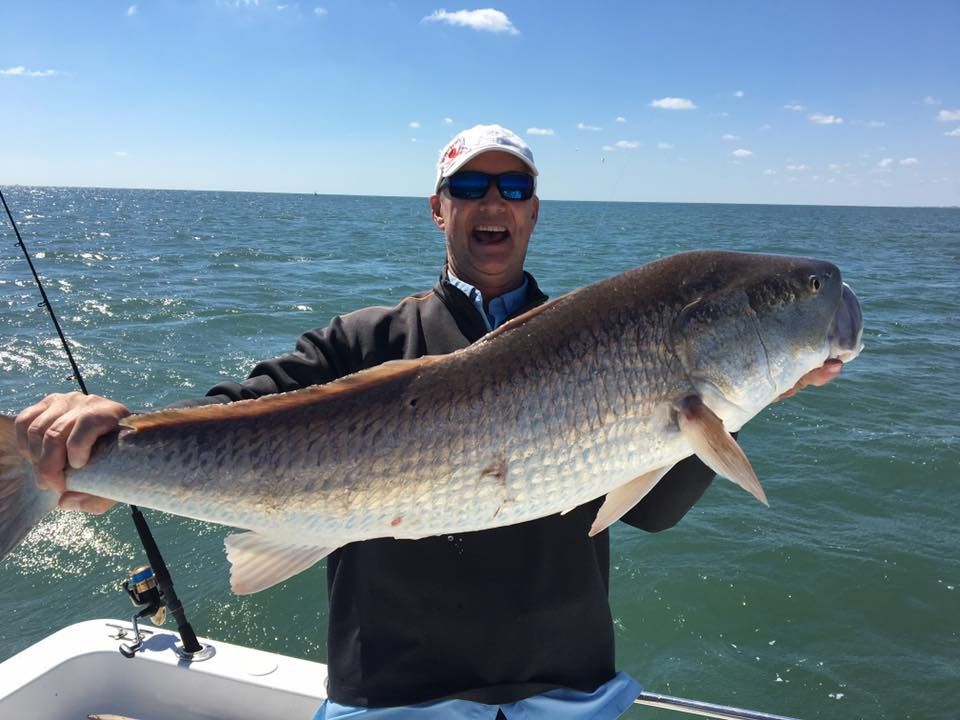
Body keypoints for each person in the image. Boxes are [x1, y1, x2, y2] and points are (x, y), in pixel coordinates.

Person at [15, 124, 842, 719]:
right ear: (437, 209)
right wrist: (103, 442)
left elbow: (653, 508)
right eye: (471, 187)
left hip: (565, 692)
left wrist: (747, 401)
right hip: (393, 696)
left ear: (534, 212)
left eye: (513, 188)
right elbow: (237, 413)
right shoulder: (361, 340)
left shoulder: (608, 335)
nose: (493, 202)